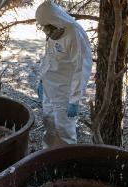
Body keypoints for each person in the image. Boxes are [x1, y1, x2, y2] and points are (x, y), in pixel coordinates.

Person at [35, 1, 93, 148]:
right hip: (50, 90)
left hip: (64, 94)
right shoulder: (54, 32)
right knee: (49, 125)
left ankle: (66, 163)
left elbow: (81, 69)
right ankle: (48, 157)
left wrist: (74, 100)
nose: (46, 31)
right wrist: (41, 81)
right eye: (44, 27)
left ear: (55, 20)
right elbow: (49, 58)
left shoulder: (75, 34)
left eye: (48, 27)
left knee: (64, 132)